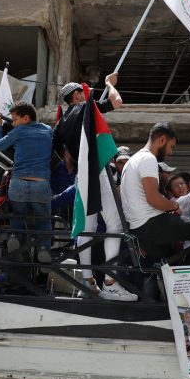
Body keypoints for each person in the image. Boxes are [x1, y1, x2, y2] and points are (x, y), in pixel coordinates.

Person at [53, 74, 134, 301]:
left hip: (82, 174)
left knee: (86, 227)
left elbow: (61, 155)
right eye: (82, 91)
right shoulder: (86, 107)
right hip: (97, 169)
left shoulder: (61, 123)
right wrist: (110, 84)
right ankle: (110, 282)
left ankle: (87, 283)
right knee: (114, 223)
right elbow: (117, 101)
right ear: (77, 95)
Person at [121, 123, 190, 265]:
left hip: (139, 227)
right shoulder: (148, 159)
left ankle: (179, 278)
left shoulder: (132, 161)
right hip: (152, 224)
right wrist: (175, 206)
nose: (170, 152)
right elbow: (154, 199)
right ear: (162, 140)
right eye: (171, 146)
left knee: (169, 263)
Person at [0, 101, 53, 263]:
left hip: (18, 182)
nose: (12, 123)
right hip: (41, 183)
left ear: (26, 118)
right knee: (44, 220)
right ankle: (43, 249)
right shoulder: (48, 130)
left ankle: (14, 235)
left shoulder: (19, 131)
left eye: (15, 119)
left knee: (17, 214)